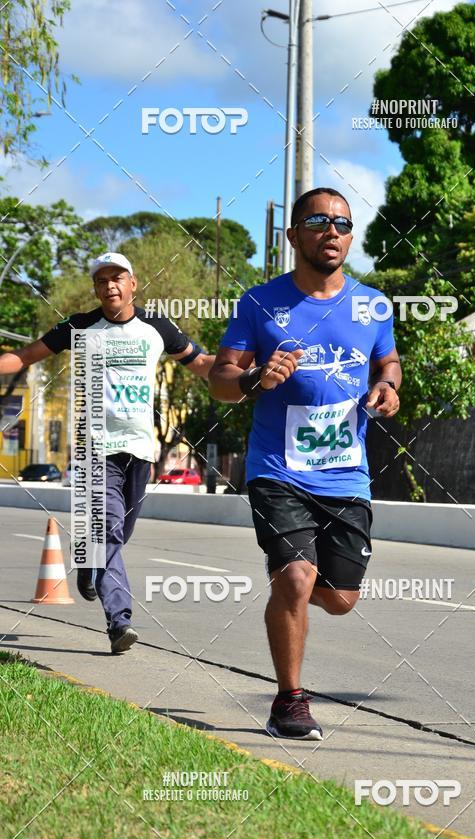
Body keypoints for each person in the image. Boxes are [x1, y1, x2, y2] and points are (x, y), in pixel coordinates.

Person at [209, 187, 401, 740]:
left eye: (342, 222)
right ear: (293, 236)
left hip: (346, 472)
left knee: (340, 599)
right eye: (318, 221)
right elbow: (221, 380)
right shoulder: (260, 304)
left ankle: (292, 582)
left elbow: (387, 362)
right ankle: (289, 700)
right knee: (296, 576)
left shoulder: (373, 305)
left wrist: (387, 388)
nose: (332, 231)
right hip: (278, 469)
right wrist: (254, 378)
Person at [0, 251, 214, 654]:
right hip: (94, 448)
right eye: (102, 281)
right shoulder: (79, 326)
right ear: (96, 289)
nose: (110, 286)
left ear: (133, 284)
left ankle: (90, 565)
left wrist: (248, 371)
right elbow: (26, 356)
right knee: (107, 530)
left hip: (140, 451)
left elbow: (203, 363)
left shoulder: (157, 327)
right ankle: (120, 621)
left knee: (119, 532)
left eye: (118, 278)